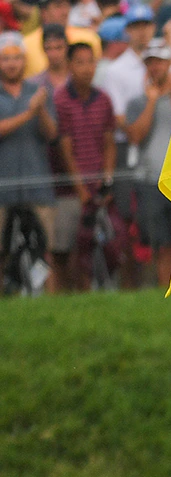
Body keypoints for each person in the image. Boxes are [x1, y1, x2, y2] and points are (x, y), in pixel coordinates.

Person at [52, 39, 113, 291]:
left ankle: (86, 299)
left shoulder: (104, 100)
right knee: (63, 249)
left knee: (92, 248)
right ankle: (63, 300)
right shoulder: (60, 99)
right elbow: (65, 149)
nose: (87, 68)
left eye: (91, 62)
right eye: (80, 62)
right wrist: (80, 188)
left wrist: (106, 182)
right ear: (69, 66)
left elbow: (109, 143)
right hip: (68, 190)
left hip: (97, 187)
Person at [1, 30, 58, 287]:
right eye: (5, 58)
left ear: (24, 60)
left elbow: (51, 134)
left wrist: (41, 110)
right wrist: (28, 113)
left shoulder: (39, 92)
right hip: (3, 189)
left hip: (38, 185)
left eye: (16, 57)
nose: (11, 63)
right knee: (2, 252)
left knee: (45, 251)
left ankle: (50, 307)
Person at [121, 39, 171, 284]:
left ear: (169, 64)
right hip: (150, 181)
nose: (156, 68)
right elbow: (135, 136)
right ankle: (168, 295)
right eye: (151, 63)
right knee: (161, 244)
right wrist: (152, 101)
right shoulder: (137, 102)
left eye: (160, 62)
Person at [24, 0, 100, 76]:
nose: (65, 12)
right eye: (58, 6)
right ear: (44, 12)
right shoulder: (26, 43)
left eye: (67, 6)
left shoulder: (89, 38)